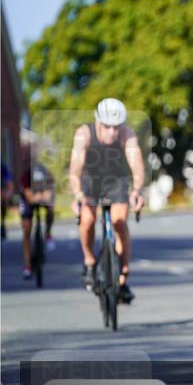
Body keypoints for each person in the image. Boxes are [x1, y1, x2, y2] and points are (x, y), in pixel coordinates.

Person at [68, 98, 145, 303]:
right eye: (107, 127)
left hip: (116, 180)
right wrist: (77, 195)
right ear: (98, 122)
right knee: (87, 219)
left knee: (120, 223)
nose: (112, 132)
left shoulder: (127, 134)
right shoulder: (84, 134)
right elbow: (75, 169)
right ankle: (90, 260)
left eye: (116, 127)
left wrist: (137, 190)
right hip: (90, 180)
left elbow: (136, 165)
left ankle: (123, 277)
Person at [18, 153, 56, 279]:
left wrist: (45, 197)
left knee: (50, 208)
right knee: (27, 229)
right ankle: (28, 265)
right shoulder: (25, 176)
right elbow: (28, 197)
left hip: (41, 197)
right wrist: (37, 197)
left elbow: (50, 193)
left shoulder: (46, 173)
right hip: (28, 200)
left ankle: (48, 233)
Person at [1, 161, 12, 241]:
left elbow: (9, 183)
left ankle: (3, 223)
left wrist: (7, 194)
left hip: (2, 189)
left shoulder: (2, 167)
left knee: (3, 201)